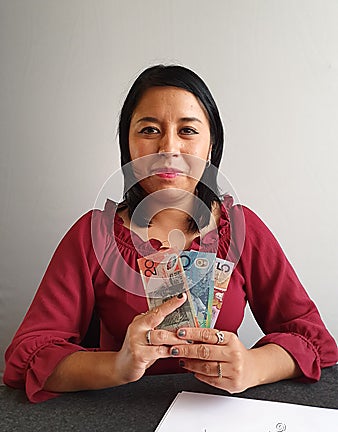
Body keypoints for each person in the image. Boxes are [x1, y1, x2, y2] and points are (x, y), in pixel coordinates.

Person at [3, 65, 337, 403]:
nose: (168, 147)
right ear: (128, 144)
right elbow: (27, 358)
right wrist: (117, 365)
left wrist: (253, 365)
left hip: (217, 419)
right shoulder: (94, 236)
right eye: (149, 129)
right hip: (118, 416)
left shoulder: (241, 230)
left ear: (211, 145)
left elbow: (314, 339)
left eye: (188, 130)